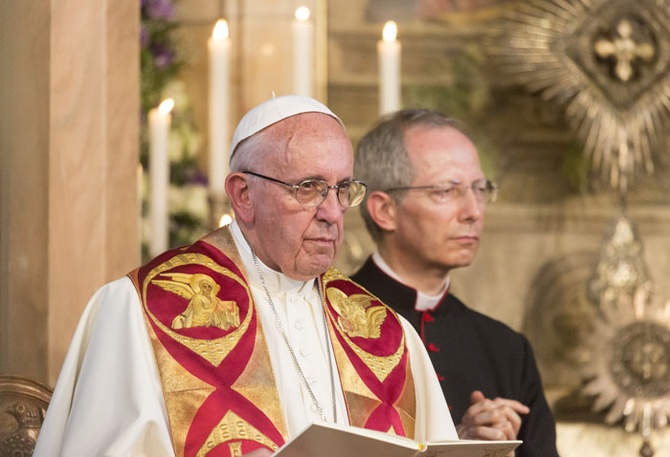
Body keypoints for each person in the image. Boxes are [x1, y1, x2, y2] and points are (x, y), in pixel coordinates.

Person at [34, 96, 458, 457]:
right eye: (308, 187)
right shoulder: (141, 311)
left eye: (342, 188)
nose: (332, 212)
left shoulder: (386, 334)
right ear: (243, 195)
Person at [351, 108, 559, 457]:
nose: (473, 211)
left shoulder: (506, 349)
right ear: (385, 210)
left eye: (480, 189)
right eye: (447, 191)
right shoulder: (322, 322)